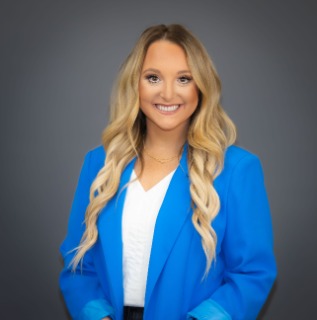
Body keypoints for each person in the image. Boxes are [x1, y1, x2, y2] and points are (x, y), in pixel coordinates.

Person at [59, 24, 277, 320]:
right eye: (153, 77)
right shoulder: (99, 164)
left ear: (201, 87)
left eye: (184, 79)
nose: (168, 92)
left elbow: (252, 273)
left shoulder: (236, 169)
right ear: (135, 84)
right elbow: (78, 266)